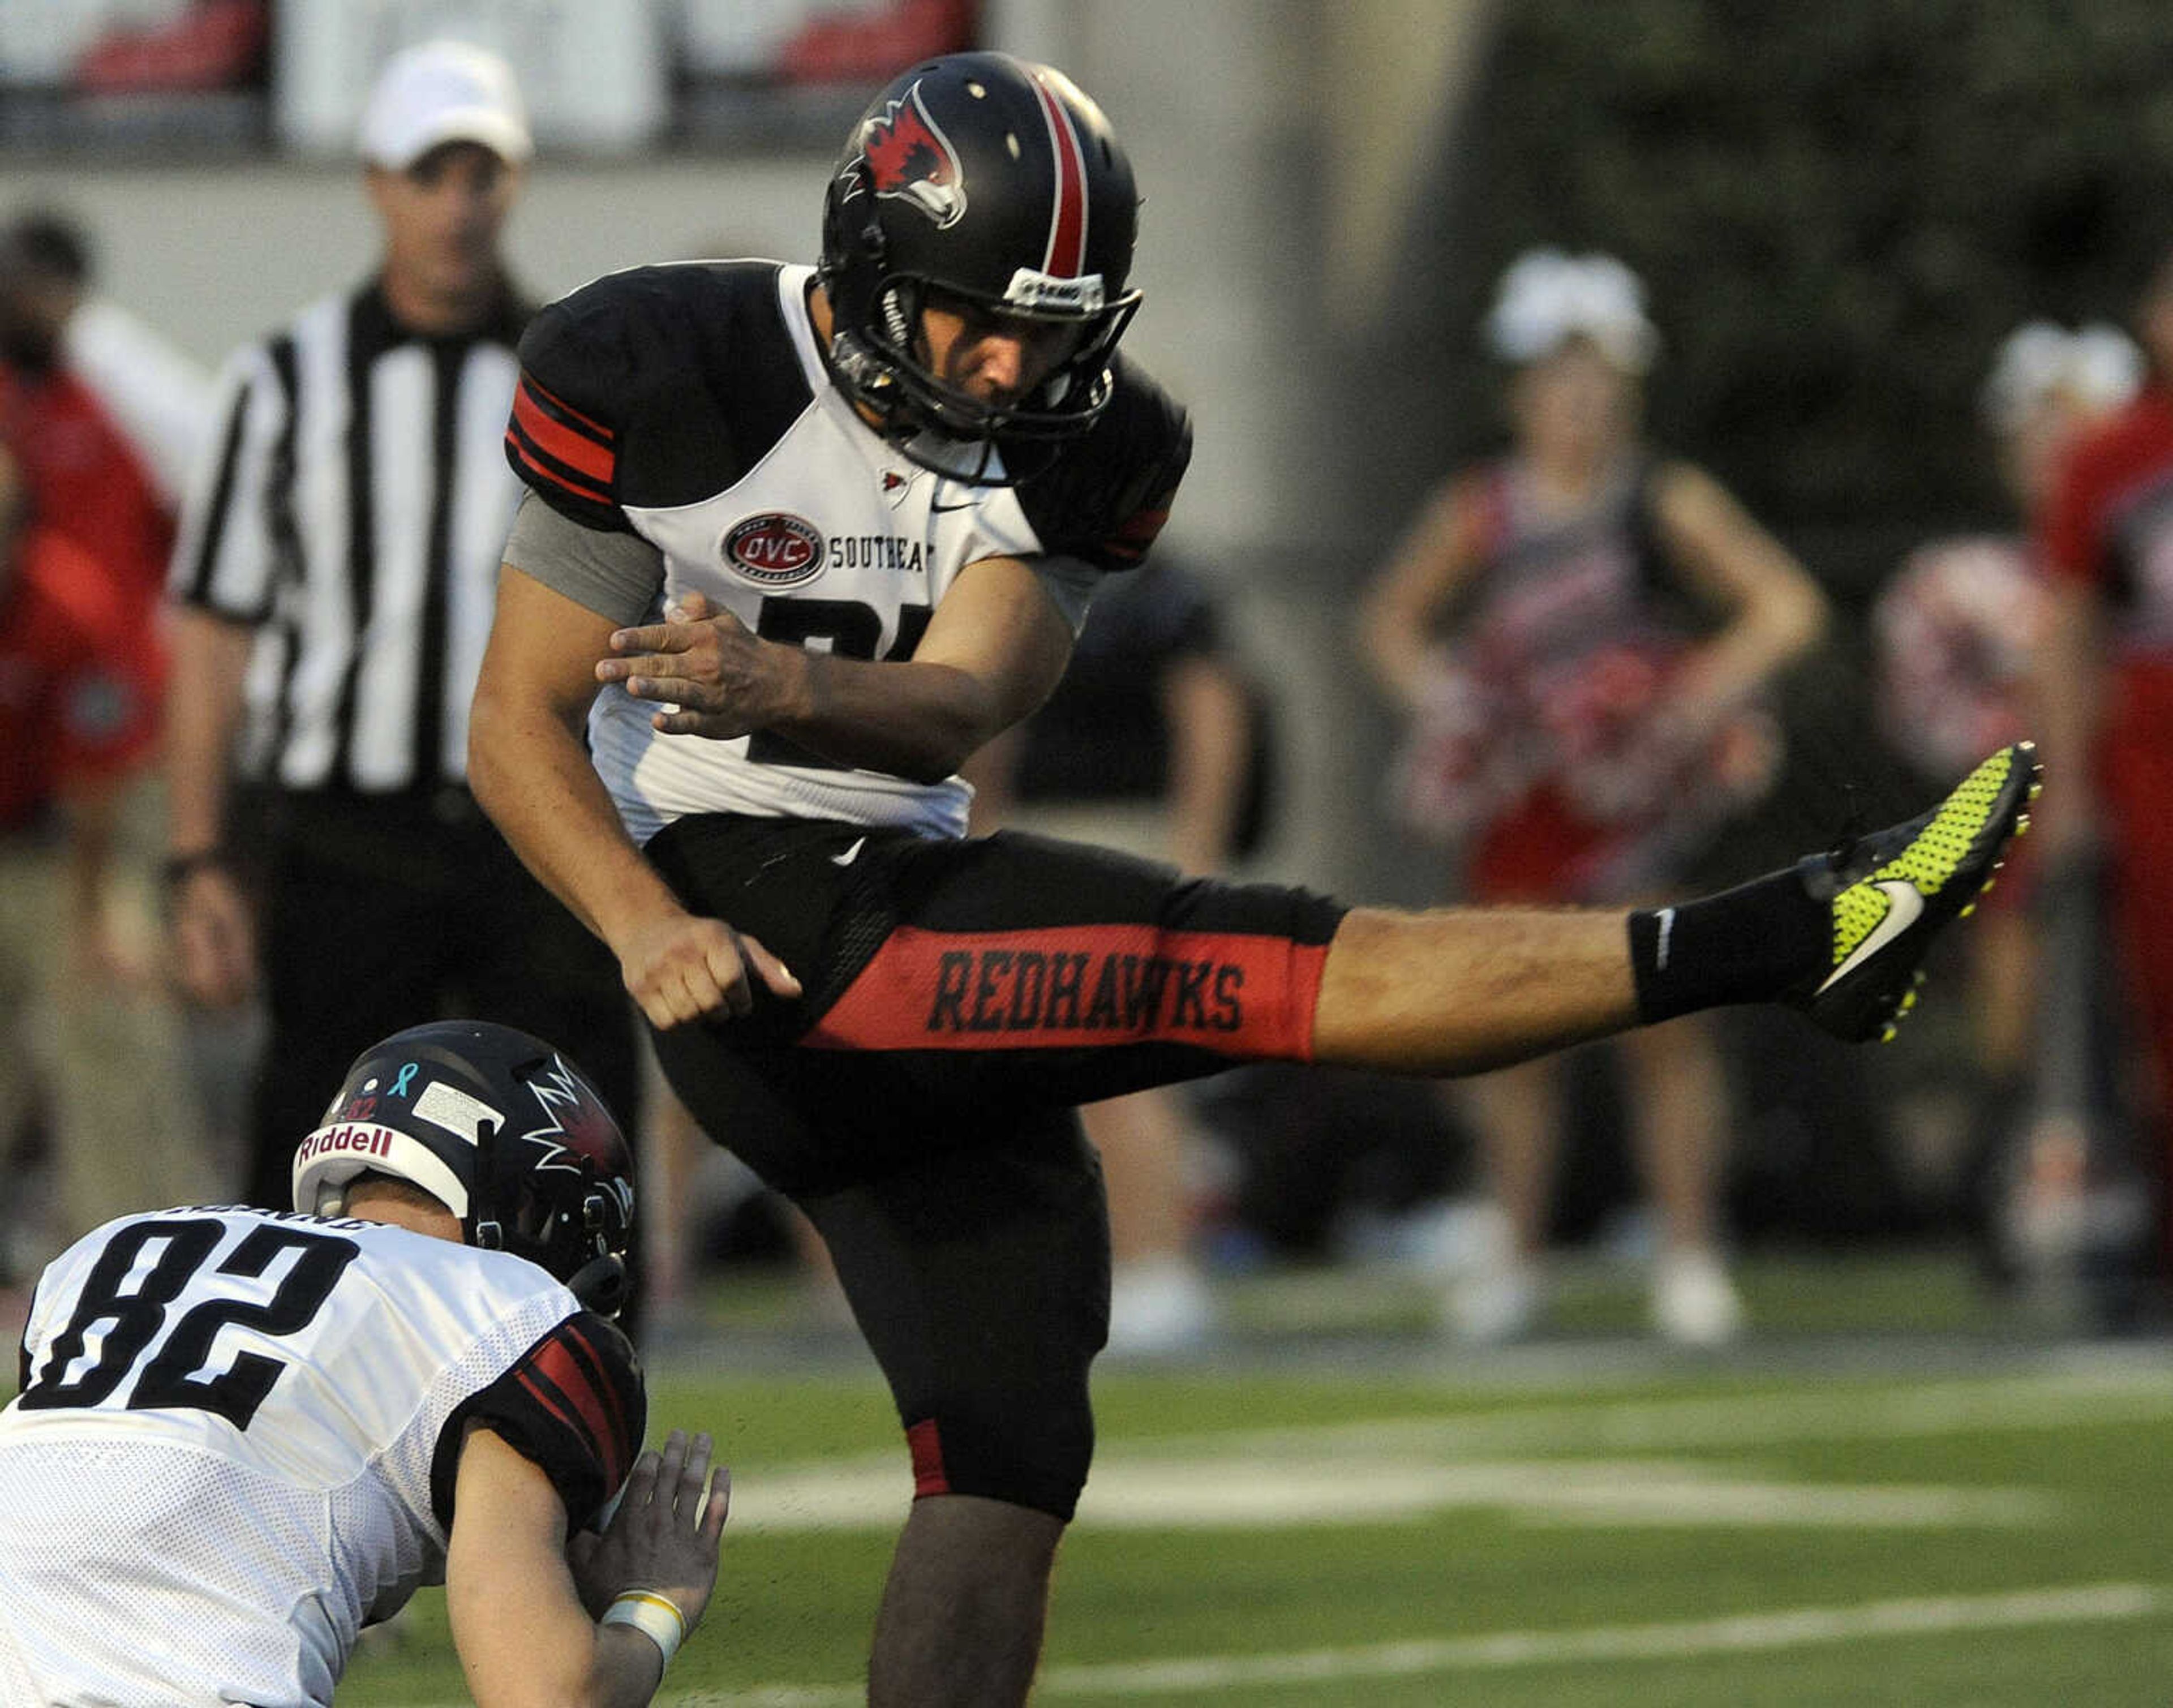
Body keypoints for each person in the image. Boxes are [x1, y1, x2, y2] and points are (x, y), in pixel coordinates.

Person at [465, 50, 2034, 1705]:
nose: (1009, 367)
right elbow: (514, 724)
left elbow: (970, 698)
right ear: (869, 268)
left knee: (1006, 1462)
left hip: (900, 892)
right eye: (975, 320)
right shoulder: (670, 364)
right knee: (1236, 968)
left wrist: (800, 686)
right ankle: (1794, 932)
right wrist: (643, 925)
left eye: (1050, 333)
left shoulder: (1090, 440)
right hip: (761, 928)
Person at [161, 40, 641, 1222]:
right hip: (348, 839)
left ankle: (576, 1390)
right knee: (315, 1145)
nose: (458, 206)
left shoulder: (574, 379)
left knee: (568, 1142)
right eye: (433, 174)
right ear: (378, 182)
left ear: (515, 185)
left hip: (538, 824)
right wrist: (197, 856)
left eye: (483, 174)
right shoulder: (284, 381)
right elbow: (214, 635)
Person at [1356, 248, 1829, 1345]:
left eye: (1600, 389)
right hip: (1525, 809)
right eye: (1561, 387)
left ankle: (1690, 1258)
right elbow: (1390, 622)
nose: (1580, 408)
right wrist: (1454, 705)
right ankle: (1513, 1258)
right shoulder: (1481, 508)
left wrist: (1699, 691)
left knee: (1660, 1027)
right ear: (1523, 394)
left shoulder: (1662, 499)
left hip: (1630, 808)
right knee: (1513, 1030)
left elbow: (1785, 605)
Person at [0, 1019, 729, 1706]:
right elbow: (544, 1693)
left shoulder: (116, 1245)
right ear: (534, 1208)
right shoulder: (503, 1308)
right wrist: (653, 1604)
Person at [1875, 321, 2141, 1281]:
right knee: (2018, 1004)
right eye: (2036, 429)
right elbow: (1924, 712)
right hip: (2034, 832)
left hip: (2143, 819)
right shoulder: (1968, 581)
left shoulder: (2143, 566)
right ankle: (2009, 1188)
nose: (2053, 450)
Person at [964, 551, 1266, 1352]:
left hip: (1130, 835)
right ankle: (1101, 1265)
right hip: (1038, 834)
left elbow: (1210, 715)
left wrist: (1196, 856)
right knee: (1052, 1074)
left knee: (1117, 1067)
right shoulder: (1015, 574)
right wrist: (979, 831)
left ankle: (1160, 1263)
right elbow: (990, 712)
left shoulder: (1161, 590)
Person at [2035, 249, 2173, 1304]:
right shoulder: (2110, 456)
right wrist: (2069, 787)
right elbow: (2071, 628)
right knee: (2156, 1000)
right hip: (2152, 752)